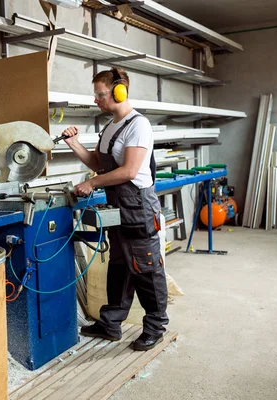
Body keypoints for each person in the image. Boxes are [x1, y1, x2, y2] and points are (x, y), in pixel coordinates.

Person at [61, 67, 168, 351]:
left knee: (145, 267)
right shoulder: (110, 127)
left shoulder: (138, 125)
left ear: (119, 92)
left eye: (100, 94)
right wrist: (74, 144)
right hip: (118, 206)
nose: (96, 99)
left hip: (137, 206)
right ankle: (111, 323)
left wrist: (93, 183)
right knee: (120, 266)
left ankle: (156, 327)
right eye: (95, 94)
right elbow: (99, 164)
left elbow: (130, 170)